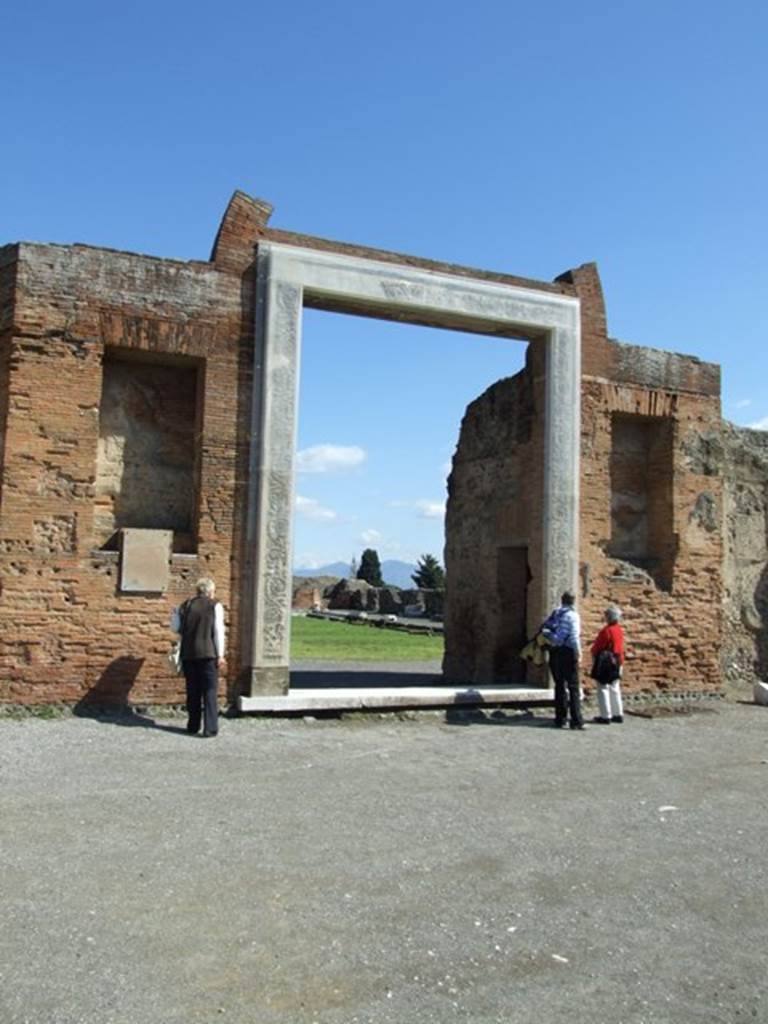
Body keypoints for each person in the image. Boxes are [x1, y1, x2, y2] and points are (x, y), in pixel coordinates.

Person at [170, 577, 226, 738]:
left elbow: (175, 628)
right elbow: (218, 632)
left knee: (192, 691)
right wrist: (220, 655)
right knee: (209, 691)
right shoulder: (215, 605)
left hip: (188, 654)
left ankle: (193, 725)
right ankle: (210, 728)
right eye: (213, 591)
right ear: (209, 591)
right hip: (208, 654)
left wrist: (174, 613)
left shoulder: (186, 605)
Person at [541, 590, 585, 730]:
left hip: (555, 651)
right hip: (567, 651)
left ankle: (560, 719)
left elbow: (544, 630)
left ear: (562, 600)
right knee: (573, 687)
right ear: (573, 601)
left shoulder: (555, 613)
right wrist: (578, 654)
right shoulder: (573, 616)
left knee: (559, 685)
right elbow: (573, 637)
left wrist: (553, 640)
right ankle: (576, 720)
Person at [590, 605, 625, 724]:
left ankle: (605, 715)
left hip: (606, 662)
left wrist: (594, 655)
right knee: (615, 688)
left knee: (603, 688)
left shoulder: (606, 631)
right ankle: (618, 713)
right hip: (618, 660)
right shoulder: (619, 630)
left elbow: (597, 647)